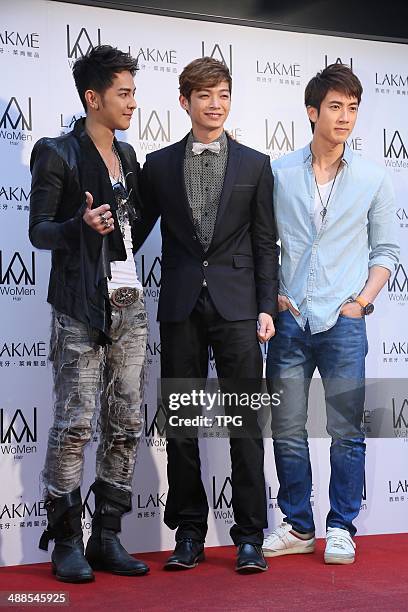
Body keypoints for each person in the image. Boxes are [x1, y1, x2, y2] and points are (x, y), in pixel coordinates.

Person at [133, 57, 279, 573]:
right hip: (179, 304)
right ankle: (189, 533)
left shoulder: (256, 164)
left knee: (243, 424)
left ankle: (249, 539)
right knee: (183, 424)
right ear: (184, 102)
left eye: (223, 95)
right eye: (204, 96)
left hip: (238, 306)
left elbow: (265, 243)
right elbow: (134, 233)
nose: (215, 105)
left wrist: (266, 305)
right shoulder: (158, 165)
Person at [262, 63, 399, 564]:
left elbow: (386, 250)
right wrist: (272, 294)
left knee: (346, 431)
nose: (345, 117)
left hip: (344, 322)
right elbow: (262, 242)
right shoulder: (277, 173)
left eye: (353, 108)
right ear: (312, 111)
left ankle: (342, 525)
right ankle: (298, 526)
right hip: (290, 318)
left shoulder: (373, 177)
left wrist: (360, 303)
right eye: (336, 107)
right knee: (288, 429)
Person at [29, 45, 149, 582]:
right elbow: (38, 232)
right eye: (122, 93)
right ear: (92, 97)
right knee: (75, 425)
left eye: (133, 92)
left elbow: (134, 230)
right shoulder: (57, 152)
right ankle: (65, 541)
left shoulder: (130, 159)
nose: (132, 103)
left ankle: (108, 536)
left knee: (124, 425)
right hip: (79, 307)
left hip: (130, 307)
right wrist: (81, 227)